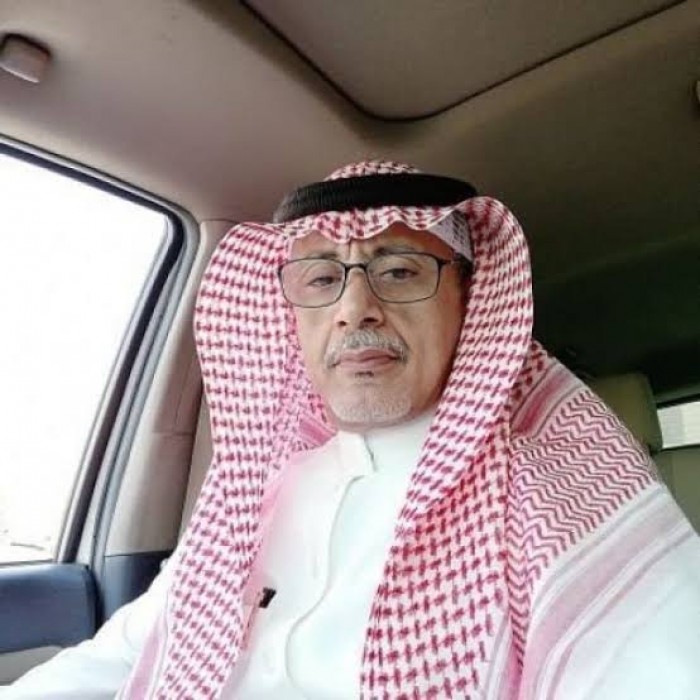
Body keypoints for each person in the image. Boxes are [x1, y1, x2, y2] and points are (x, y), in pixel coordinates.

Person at [6, 160, 700, 699]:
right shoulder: (258, 493)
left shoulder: (564, 499)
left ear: (469, 300)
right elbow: (126, 653)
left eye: (398, 271)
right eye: (320, 280)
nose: (355, 308)